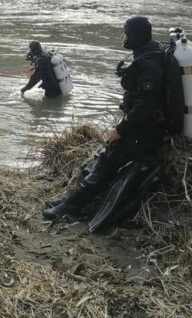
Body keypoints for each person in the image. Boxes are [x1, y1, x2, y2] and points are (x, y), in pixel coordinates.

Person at [43, 16, 167, 220]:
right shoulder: (148, 55)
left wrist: (120, 130)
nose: (122, 37)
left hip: (146, 133)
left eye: (125, 33)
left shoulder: (150, 64)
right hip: (143, 128)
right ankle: (71, 200)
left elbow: (146, 106)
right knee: (103, 157)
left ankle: (71, 207)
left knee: (107, 160)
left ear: (134, 36)